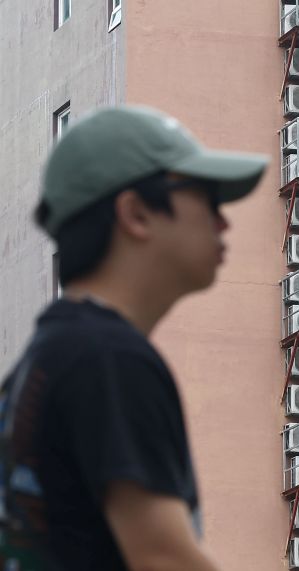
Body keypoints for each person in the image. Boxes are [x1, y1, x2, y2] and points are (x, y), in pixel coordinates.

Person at [0, 105, 268, 570]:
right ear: (136, 213)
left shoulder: (45, 361)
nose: (223, 222)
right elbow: (164, 559)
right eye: (206, 196)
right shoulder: (108, 359)